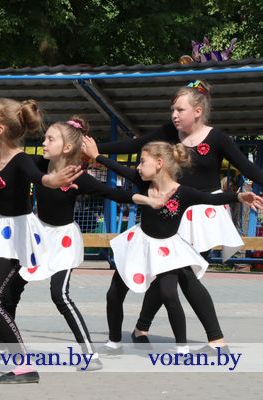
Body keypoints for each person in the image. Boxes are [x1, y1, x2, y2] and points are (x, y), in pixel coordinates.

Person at [0, 117, 170, 372]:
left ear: (66, 148)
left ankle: (90, 355)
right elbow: (6, 152)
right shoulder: (36, 164)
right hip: (36, 236)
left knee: (60, 295)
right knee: (10, 289)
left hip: (63, 240)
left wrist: (149, 200)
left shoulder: (79, 175)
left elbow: (115, 193)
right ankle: (2, 344)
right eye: (45, 138)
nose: (44, 143)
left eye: (50, 139)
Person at [91, 80, 263, 353]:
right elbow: (136, 145)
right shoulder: (169, 133)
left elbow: (248, 168)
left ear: (197, 111)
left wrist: (242, 195)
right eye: (172, 109)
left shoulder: (217, 138)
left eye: (180, 110)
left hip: (202, 213)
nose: (174, 115)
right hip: (173, 209)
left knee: (181, 275)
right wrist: (97, 150)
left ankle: (209, 339)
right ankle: (149, 330)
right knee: (171, 275)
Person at [0, 101, 84, 384]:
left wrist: (53, 180)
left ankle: (25, 366)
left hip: (17, 235)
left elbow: (39, 177)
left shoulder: (20, 160)